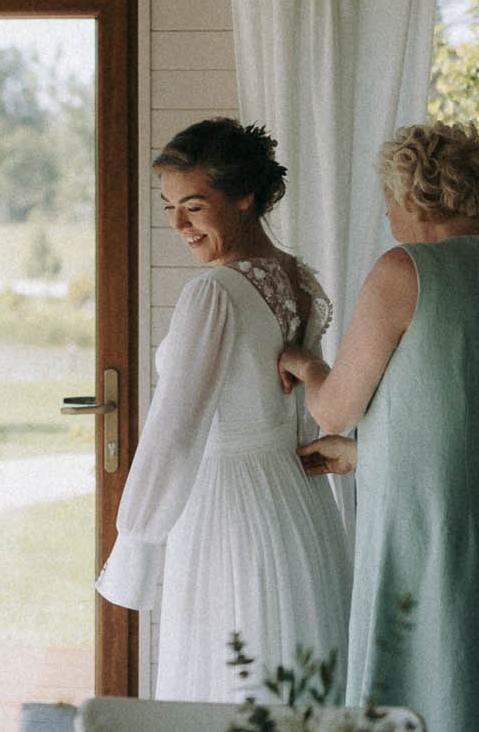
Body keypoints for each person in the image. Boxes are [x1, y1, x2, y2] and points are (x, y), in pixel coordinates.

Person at [280, 121, 479, 730]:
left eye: (389, 199)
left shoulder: (404, 271)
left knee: (425, 695)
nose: (388, 217)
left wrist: (305, 362)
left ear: (417, 195)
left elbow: (333, 407)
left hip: (428, 535)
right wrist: (360, 454)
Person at [97, 118, 349, 700]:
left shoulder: (214, 293)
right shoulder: (301, 280)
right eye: (168, 208)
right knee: (289, 670)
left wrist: (136, 543)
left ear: (245, 196)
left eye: (193, 206)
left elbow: (173, 430)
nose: (178, 225)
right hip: (300, 501)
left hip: (229, 508)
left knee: (230, 670)